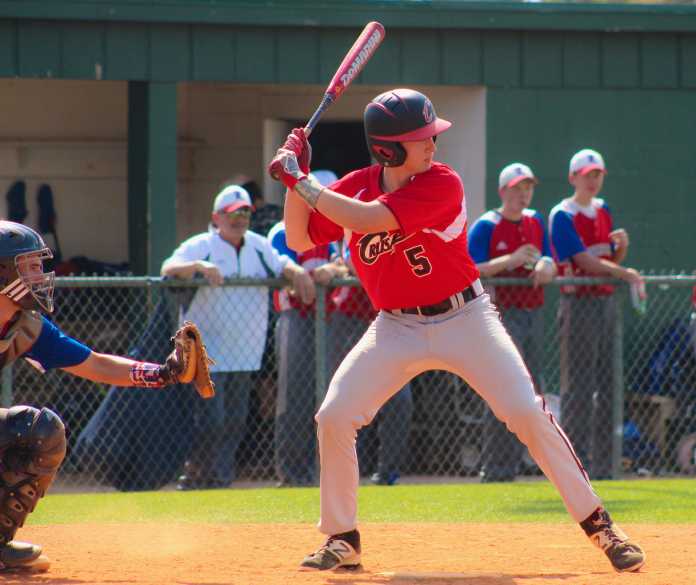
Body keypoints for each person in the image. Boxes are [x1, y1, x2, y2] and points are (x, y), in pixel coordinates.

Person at [268, 89, 645, 573]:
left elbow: (365, 219)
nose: (433, 144)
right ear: (388, 148)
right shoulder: (354, 185)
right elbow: (300, 236)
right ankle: (342, 538)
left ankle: (602, 527)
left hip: (466, 319)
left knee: (526, 413)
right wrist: (291, 176)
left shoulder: (441, 183)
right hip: (395, 326)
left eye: (431, 135)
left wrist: (301, 180)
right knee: (335, 415)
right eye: (421, 138)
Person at [0, 220, 204, 572]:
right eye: (28, 266)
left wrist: (161, 373)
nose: (39, 275)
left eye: (38, 265)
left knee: (40, 431)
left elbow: (96, 364)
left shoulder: (25, 324)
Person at [161, 184, 313, 490]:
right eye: (232, 213)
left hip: (245, 350)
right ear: (216, 217)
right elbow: (168, 267)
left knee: (235, 419)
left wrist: (296, 271)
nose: (239, 218)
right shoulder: (201, 244)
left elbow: (280, 263)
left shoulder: (258, 245)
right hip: (206, 353)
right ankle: (196, 476)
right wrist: (198, 266)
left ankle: (221, 478)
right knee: (210, 419)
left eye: (245, 212)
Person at [549, 149, 644, 480]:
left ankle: (604, 467)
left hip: (605, 304)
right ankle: (573, 468)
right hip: (578, 306)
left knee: (607, 388)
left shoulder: (603, 210)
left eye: (597, 174)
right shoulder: (562, 213)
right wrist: (627, 273)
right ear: (573, 177)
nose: (593, 180)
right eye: (587, 174)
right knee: (577, 390)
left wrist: (623, 249)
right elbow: (584, 262)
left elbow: (608, 262)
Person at [468, 162, 556, 482]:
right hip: (499, 316)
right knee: (502, 388)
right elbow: (470, 268)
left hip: (532, 314)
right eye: (517, 188)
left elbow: (549, 258)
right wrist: (511, 259)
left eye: (528, 188)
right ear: (502, 191)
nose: (524, 194)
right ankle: (496, 467)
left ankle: (528, 463)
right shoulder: (487, 225)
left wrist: (547, 265)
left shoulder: (536, 221)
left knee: (531, 390)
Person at [268, 170, 346, 487]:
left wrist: (333, 267)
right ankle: (292, 474)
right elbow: (281, 265)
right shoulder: (284, 228)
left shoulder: (337, 229)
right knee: (294, 399)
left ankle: (326, 474)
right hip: (295, 319)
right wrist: (299, 273)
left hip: (330, 321)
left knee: (331, 401)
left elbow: (346, 262)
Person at [329, 246, 413, 486]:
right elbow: (354, 262)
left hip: (394, 323)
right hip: (350, 321)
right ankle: (340, 475)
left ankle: (387, 474)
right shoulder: (355, 226)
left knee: (400, 400)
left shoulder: (401, 231)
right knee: (343, 401)